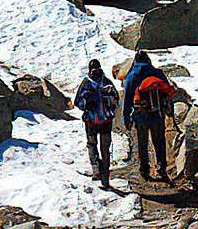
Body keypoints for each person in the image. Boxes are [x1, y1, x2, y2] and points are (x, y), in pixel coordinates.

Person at [120, 50, 176, 185]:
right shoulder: (157, 73)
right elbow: (167, 92)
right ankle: (161, 167)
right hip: (157, 114)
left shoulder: (132, 75)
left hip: (140, 115)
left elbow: (127, 98)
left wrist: (125, 117)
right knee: (159, 142)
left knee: (142, 144)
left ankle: (144, 171)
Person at [74, 58, 120, 188]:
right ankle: (105, 175)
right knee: (105, 150)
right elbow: (116, 99)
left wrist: (87, 106)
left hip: (90, 122)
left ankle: (96, 169)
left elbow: (77, 101)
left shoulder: (86, 83)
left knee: (92, 145)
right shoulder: (107, 82)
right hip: (106, 122)